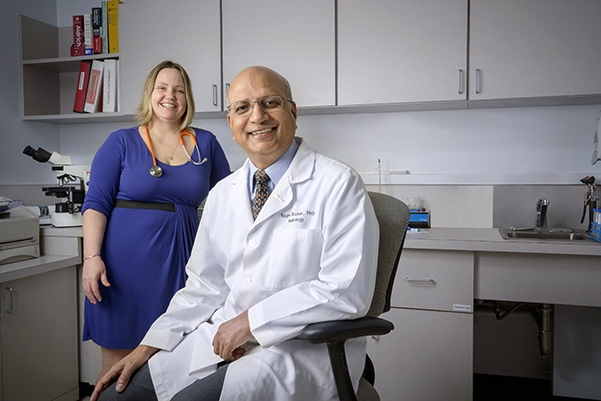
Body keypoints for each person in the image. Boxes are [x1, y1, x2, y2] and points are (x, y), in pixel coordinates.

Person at [91, 66, 379, 401]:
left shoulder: (338, 184)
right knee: (116, 396)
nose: (257, 116)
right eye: (242, 108)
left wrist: (251, 322)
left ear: (292, 111)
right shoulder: (222, 194)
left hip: (296, 351)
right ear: (231, 123)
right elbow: (203, 287)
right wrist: (149, 345)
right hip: (219, 341)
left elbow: (346, 291)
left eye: (270, 103)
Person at [81, 60, 231, 380]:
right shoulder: (121, 142)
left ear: (187, 97)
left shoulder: (205, 143)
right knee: (118, 368)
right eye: (162, 87)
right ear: (150, 93)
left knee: (177, 362)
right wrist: (91, 258)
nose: (170, 95)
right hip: (123, 269)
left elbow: (229, 202)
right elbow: (95, 203)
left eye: (179, 89)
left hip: (184, 263)